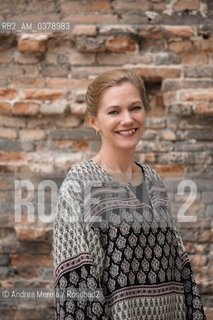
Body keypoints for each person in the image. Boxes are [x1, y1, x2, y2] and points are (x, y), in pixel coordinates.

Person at [52, 69, 206, 319]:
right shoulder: (80, 185)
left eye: (135, 108)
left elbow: (180, 267)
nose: (128, 119)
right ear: (93, 121)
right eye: (114, 111)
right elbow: (76, 286)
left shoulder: (154, 181)